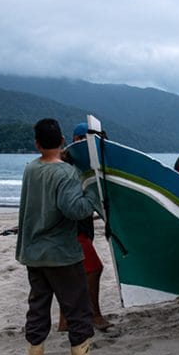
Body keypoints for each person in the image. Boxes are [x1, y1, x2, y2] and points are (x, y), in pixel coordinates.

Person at [16, 118, 106, 355]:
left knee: (38, 307)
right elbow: (74, 209)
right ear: (63, 141)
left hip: (33, 252)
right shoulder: (65, 172)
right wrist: (92, 193)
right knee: (77, 307)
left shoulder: (30, 169)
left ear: (37, 144)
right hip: (61, 254)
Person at [56, 122, 112, 332]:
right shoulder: (68, 166)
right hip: (74, 229)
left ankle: (65, 321)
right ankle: (94, 315)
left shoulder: (82, 165)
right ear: (77, 140)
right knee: (94, 269)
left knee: (72, 274)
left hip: (78, 227)